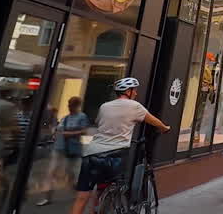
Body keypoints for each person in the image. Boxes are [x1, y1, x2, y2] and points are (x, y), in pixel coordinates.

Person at [68, 78, 169, 214]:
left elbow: (100, 123)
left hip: (92, 153)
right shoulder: (135, 106)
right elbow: (154, 121)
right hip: (114, 155)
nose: (136, 93)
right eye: (134, 90)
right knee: (106, 190)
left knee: (82, 196)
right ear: (128, 91)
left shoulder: (104, 106)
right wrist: (164, 128)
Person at [37, 96, 89, 206]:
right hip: (59, 149)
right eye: (69, 105)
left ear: (77, 106)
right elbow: (58, 130)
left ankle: (79, 194)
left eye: (72, 105)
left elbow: (84, 131)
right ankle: (47, 197)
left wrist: (69, 134)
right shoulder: (65, 118)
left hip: (73, 150)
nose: (69, 107)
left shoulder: (82, 117)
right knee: (51, 173)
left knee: (72, 176)